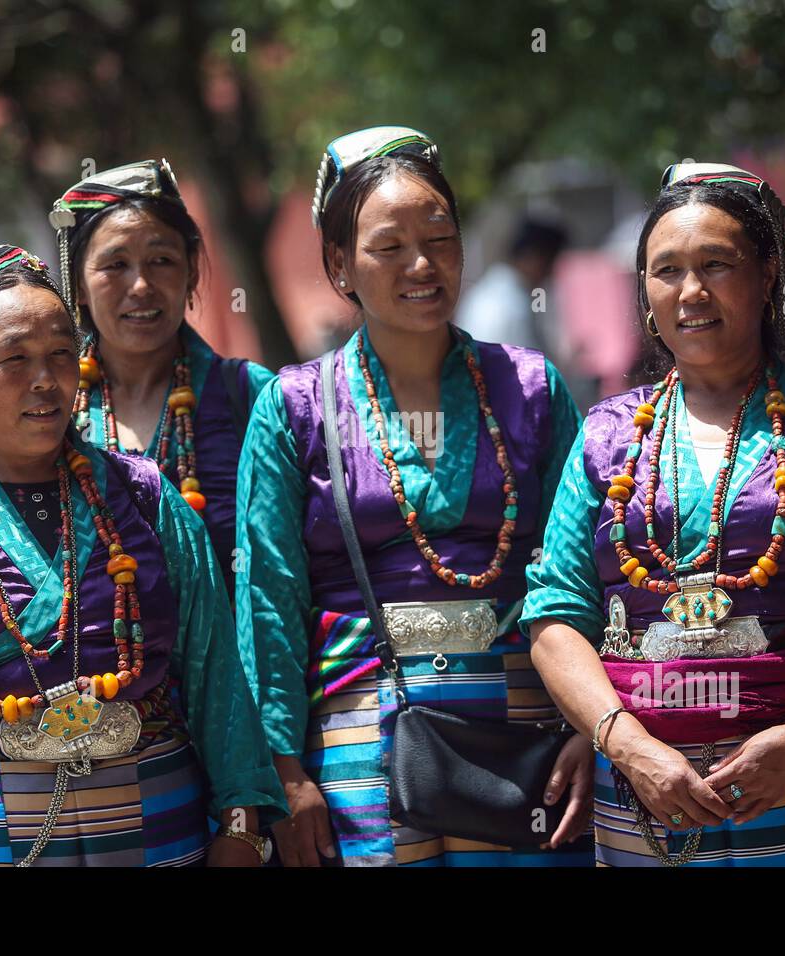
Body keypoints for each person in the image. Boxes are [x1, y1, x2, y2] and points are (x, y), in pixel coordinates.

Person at [522, 161, 785, 866]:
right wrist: (629, 746)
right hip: (649, 800)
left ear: (768, 275)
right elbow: (557, 612)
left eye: (717, 264)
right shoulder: (605, 435)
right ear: (646, 295)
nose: (691, 291)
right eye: (667, 270)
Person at [0, 245, 284, 867]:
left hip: (160, 837)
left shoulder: (146, 499)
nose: (46, 381)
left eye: (63, 355)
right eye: (14, 359)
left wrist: (240, 825)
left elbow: (215, 675)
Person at [236, 126, 592, 866]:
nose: (422, 264)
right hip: (358, 750)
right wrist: (284, 772)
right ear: (340, 264)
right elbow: (268, 597)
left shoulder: (530, 388)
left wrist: (596, 726)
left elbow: (584, 570)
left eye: (439, 237)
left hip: (529, 745)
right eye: (388, 246)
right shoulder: (295, 406)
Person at [49, 160, 273, 590]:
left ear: (190, 273)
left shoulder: (253, 398)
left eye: (162, 260)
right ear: (77, 285)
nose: (140, 286)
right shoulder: (50, 411)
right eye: (115, 265)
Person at [456, 216, 568, 353]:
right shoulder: (515, 305)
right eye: (550, 264)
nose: (550, 273)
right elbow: (533, 369)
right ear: (534, 258)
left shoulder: (487, 289)